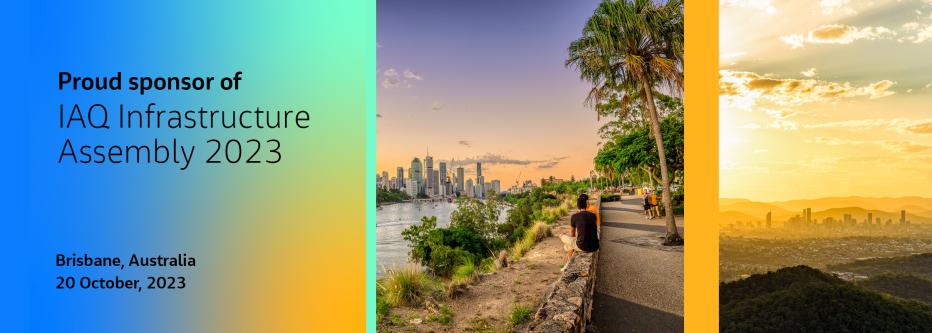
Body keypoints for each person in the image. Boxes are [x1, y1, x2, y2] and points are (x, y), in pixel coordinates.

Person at [560, 195, 599, 271]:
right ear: (586, 205)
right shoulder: (593, 215)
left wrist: (574, 240)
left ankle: (568, 264)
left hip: (583, 246)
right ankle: (568, 264)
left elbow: (572, 233)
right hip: (595, 245)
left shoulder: (574, 216)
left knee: (562, 237)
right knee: (570, 244)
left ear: (577, 206)